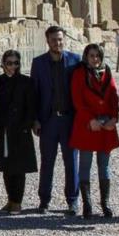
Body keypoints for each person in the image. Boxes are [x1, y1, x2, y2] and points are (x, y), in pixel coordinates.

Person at [31, 26, 82, 215]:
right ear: (47, 41)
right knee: (47, 162)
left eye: (60, 39)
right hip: (48, 120)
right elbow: (34, 94)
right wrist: (35, 119)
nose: (57, 43)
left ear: (64, 40)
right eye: (53, 40)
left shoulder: (75, 61)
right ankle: (44, 200)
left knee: (71, 162)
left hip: (69, 119)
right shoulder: (38, 63)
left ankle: (72, 200)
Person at [69, 44, 119, 219]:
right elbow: (78, 100)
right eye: (91, 55)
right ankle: (87, 204)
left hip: (106, 124)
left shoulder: (107, 72)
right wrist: (91, 120)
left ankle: (105, 203)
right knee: (85, 163)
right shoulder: (79, 73)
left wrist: (114, 118)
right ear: (86, 56)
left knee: (104, 165)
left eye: (97, 55)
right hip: (88, 124)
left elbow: (114, 96)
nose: (95, 59)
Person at [0, 50, 37, 215]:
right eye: (9, 63)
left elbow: (31, 106)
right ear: (3, 64)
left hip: (20, 130)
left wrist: (27, 125)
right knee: (6, 166)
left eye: (16, 63)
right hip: (3, 129)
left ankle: (17, 201)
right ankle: (10, 199)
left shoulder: (26, 82)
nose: (13, 66)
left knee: (19, 167)